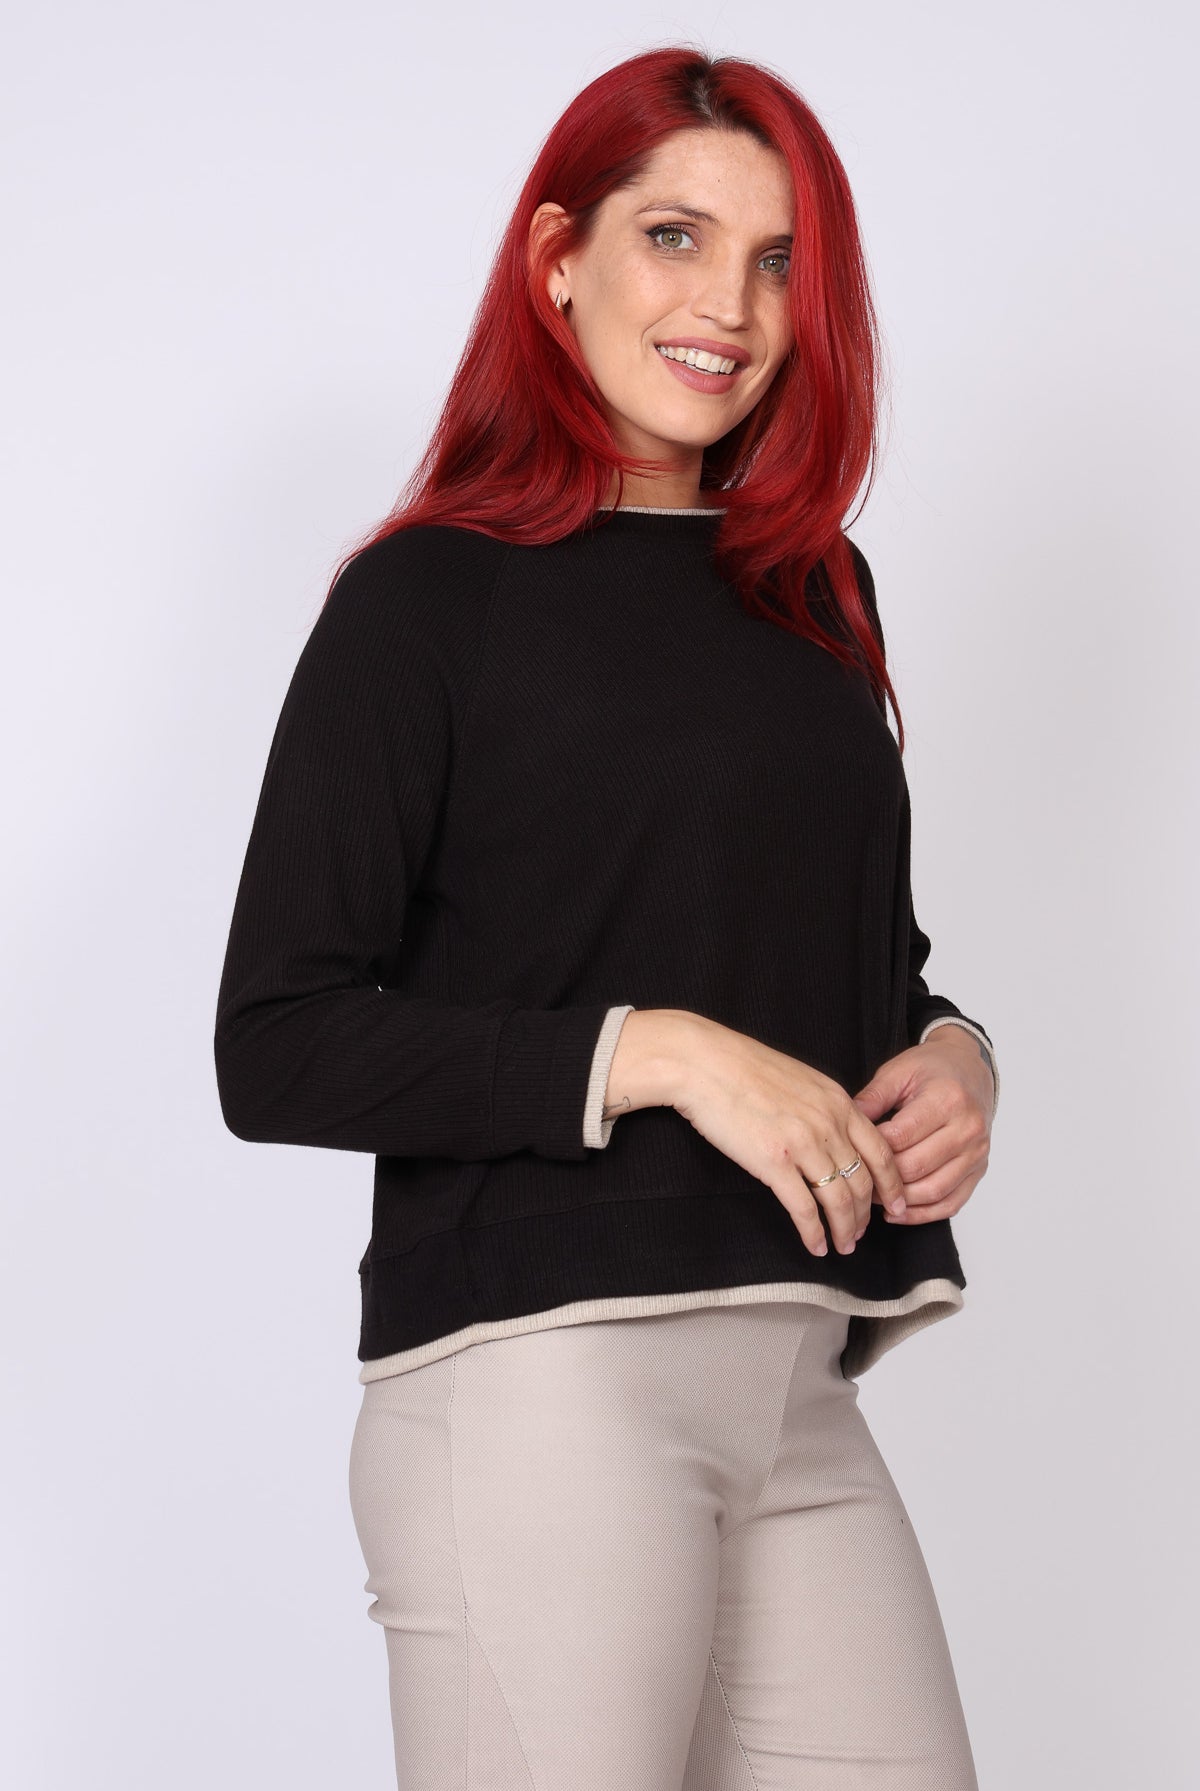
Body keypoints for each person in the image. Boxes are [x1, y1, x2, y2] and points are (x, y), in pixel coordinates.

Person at [214, 43, 997, 1791]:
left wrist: (955, 1056)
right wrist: (660, 1056)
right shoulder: (428, 600)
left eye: (778, 261)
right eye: (674, 236)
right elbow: (275, 1043)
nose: (729, 305)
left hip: (797, 1383)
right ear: (557, 258)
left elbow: (856, 955)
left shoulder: (815, 594)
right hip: (539, 1386)